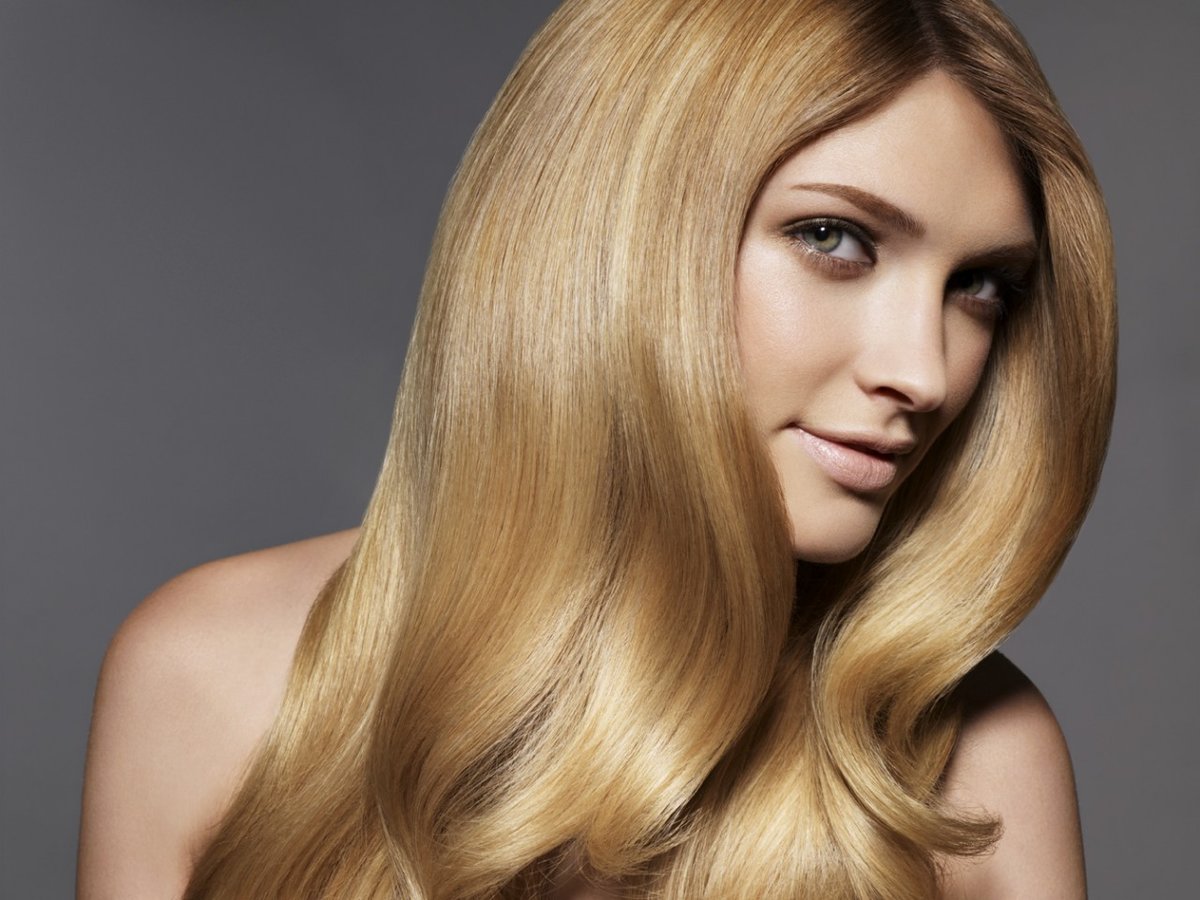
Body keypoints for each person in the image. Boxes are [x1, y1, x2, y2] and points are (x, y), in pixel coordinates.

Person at [77, 0, 1116, 897]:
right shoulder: (212, 676)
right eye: (833, 238)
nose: (925, 373)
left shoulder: (970, 765)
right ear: (615, 233)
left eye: (980, 287)